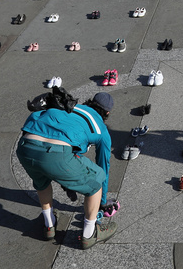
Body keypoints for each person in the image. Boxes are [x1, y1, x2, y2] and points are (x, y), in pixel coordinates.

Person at [16, 87, 116, 248]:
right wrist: (101, 203)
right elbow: (103, 165)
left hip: (25, 147)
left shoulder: (69, 106)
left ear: (89, 102)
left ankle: (49, 225)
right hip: (56, 153)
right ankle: (89, 234)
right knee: (97, 179)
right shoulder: (102, 130)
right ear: (107, 113)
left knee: (42, 182)